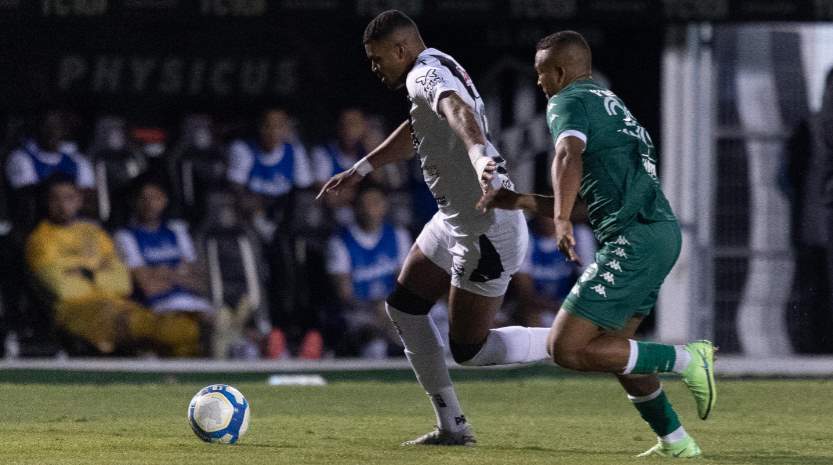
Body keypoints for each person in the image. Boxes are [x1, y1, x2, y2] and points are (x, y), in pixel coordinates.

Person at [477, 31, 716, 458]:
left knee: (564, 348)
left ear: (560, 72)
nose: (539, 83)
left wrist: (563, 219)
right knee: (614, 351)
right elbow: (600, 200)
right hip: (654, 233)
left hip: (635, 238)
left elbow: (567, 155)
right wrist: (523, 202)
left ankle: (687, 359)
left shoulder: (566, 101)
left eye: (541, 74)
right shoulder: (612, 106)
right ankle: (677, 443)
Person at [319, 10, 551, 446]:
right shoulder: (436, 63)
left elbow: (456, 109)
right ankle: (452, 426)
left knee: (470, 350)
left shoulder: (423, 75)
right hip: (453, 220)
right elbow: (421, 127)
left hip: (487, 233)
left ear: (401, 49)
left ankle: (573, 340)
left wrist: (481, 157)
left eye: (377, 58)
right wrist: (364, 166)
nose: (375, 67)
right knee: (405, 308)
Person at [25, 174, 200, 356]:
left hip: (118, 305)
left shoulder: (94, 232)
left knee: (181, 335)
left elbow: (122, 282)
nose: (62, 205)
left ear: (79, 200)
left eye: (69, 198)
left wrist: (83, 273)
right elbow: (64, 288)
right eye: (55, 199)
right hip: (75, 311)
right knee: (168, 330)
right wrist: (100, 271)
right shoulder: (40, 239)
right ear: (46, 202)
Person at [326, 183, 411, 358]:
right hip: (359, 311)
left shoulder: (398, 236)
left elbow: (405, 284)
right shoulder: (340, 242)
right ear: (356, 207)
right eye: (364, 204)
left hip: (391, 308)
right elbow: (345, 294)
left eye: (375, 203)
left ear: (384, 206)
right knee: (375, 345)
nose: (370, 209)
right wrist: (377, 309)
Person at [113, 175, 213, 318]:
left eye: (156, 198)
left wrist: (161, 273)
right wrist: (180, 274)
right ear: (134, 202)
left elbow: (201, 283)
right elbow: (147, 288)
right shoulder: (125, 237)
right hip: (157, 309)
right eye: (144, 198)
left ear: (165, 200)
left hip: (194, 303)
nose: (150, 204)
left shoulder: (178, 232)